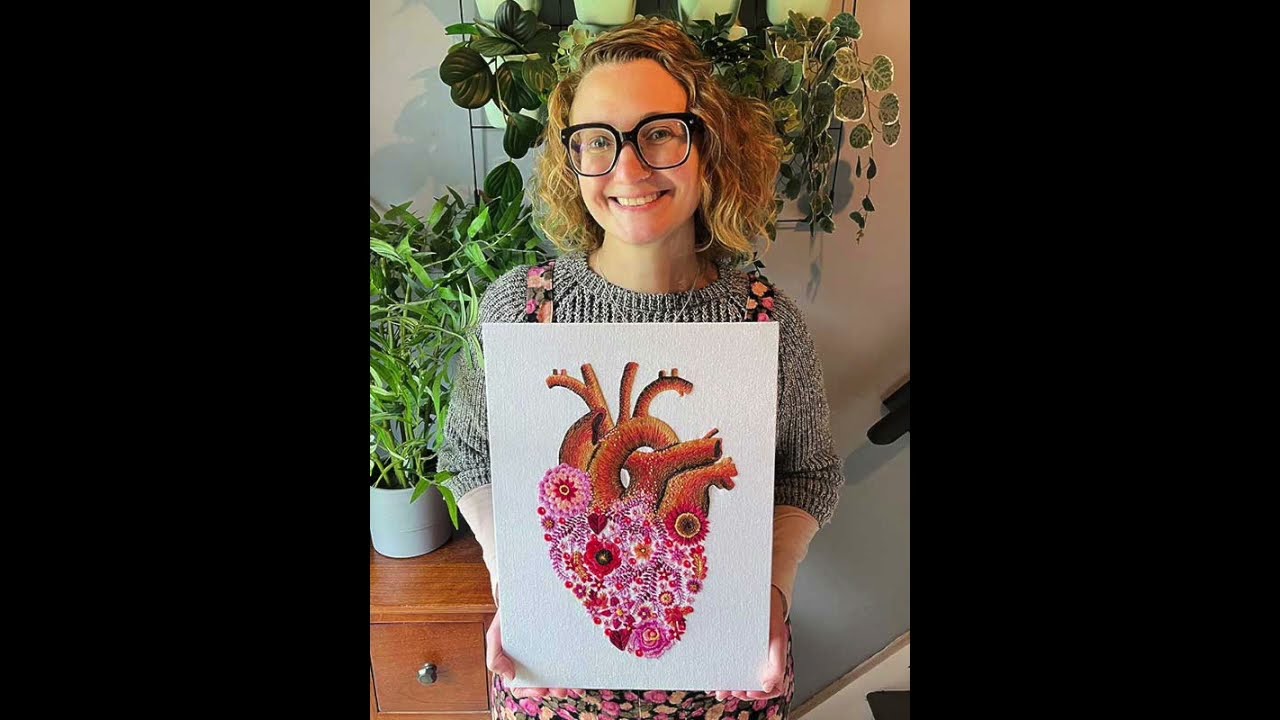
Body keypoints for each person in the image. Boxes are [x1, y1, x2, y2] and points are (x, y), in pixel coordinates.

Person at [438, 16, 845, 720]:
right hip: (552, 686)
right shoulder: (521, 310)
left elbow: (808, 474)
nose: (627, 169)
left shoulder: (766, 320)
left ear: (706, 147)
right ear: (572, 160)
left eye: (658, 133)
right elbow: (470, 455)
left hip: (725, 686)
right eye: (597, 140)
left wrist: (771, 598)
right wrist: (520, 587)